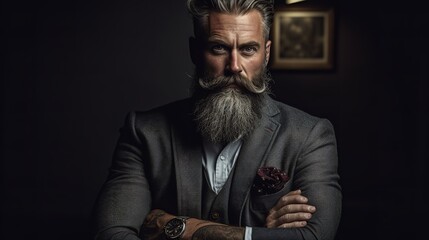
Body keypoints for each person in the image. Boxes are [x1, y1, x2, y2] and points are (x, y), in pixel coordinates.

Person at [91, 0, 342, 239]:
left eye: (247, 49)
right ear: (195, 52)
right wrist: (263, 234)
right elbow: (111, 232)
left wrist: (183, 228)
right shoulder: (144, 131)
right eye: (219, 48)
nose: (234, 66)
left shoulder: (310, 135)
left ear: (265, 54)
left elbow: (314, 236)